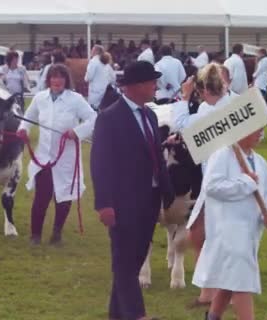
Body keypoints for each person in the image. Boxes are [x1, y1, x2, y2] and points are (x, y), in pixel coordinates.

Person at [91, 61, 173, 320]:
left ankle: (117, 315)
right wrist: (104, 203)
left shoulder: (149, 114)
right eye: (151, 82)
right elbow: (100, 162)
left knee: (134, 260)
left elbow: (154, 155)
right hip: (122, 202)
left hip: (149, 200)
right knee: (125, 262)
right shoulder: (109, 117)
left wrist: (166, 191)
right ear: (136, 86)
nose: (155, 86)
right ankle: (138, 315)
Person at [193, 129, 267, 320]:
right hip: (227, 231)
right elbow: (212, 187)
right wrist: (245, 182)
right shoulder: (222, 155)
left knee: (230, 279)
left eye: (262, 130)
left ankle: (213, 317)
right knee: (242, 282)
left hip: (249, 232)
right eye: (256, 130)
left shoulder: (260, 162)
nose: (261, 134)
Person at [171, 63, 233, 308]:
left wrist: (184, 97)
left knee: (211, 236)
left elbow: (181, 123)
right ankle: (210, 291)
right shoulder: (221, 105)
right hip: (213, 176)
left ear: (204, 89)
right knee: (202, 234)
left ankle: (220, 292)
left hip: (224, 178)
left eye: (199, 90)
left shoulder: (212, 110)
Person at [16, 64, 96, 245]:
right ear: (48, 79)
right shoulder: (40, 98)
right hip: (44, 156)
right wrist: (23, 130)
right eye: (53, 77)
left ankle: (57, 233)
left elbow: (93, 118)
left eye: (61, 77)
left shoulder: (75, 99)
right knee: (41, 197)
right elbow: (28, 119)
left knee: (63, 196)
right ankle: (35, 235)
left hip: (66, 157)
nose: (57, 80)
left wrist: (76, 132)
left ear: (66, 80)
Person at [85, 45, 116, 110]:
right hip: (106, 92)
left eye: (92, 50)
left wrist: (86, 78)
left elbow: (89, 77)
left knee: (94, 111)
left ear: (96, 51)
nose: (91, 51)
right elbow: (113, 78)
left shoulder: (93, 61)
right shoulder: (106, 62)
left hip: (95, 92)